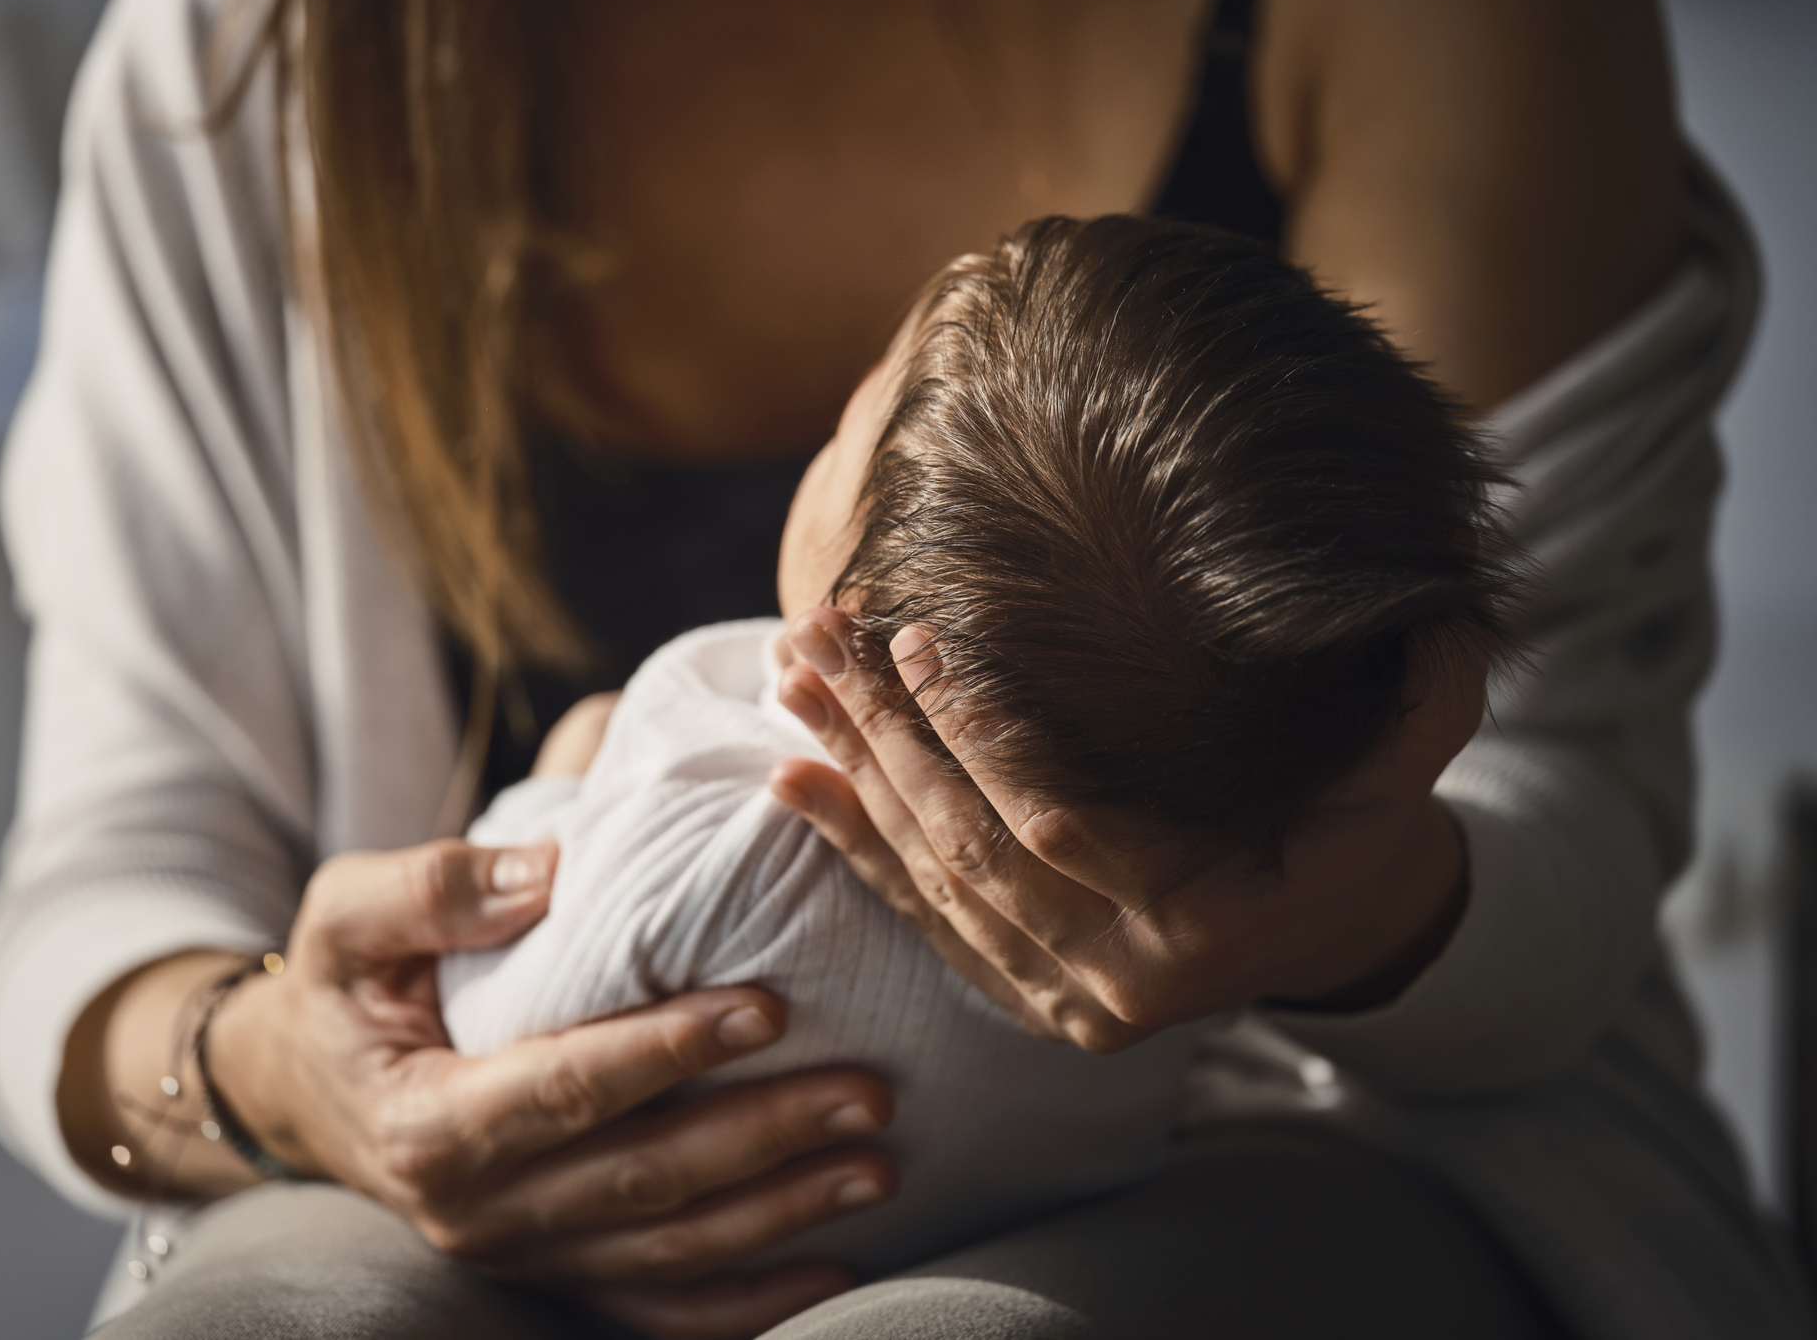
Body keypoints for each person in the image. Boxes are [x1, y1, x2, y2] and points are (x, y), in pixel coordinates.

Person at [0, 0, 1813, 1337]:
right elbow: (107, 883)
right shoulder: (250, 43)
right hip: (451, 1196)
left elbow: (1559, 818)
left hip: (1332, 1152)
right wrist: (274, 1071)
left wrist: (1345, 909)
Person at [437, 212, 1519, 1281]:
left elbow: (496, 1027)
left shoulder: (722, 806)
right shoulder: (1203, 916)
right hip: (997, 1242)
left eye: (838, 437)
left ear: (849, 630)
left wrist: (555, 788)